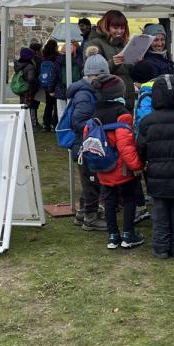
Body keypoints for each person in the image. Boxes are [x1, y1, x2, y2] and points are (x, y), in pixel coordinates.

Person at [137, 74, 174, 259]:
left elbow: (141, 147)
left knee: (160, 210)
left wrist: (144, 161)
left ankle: (161, 247)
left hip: (156, 172)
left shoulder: (147, 122)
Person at [91, 74, 146, 249]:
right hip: (121, 168)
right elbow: (126, 146)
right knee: (129, 199)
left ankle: (113, 236)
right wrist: (136, 166)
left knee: (109, 200)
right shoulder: (122, 114)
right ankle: (128, 235)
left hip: (103, 166)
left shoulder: (95, 113)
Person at [68, 49, 110, 231]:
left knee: (89, 180)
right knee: (92, 181)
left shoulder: (87, 91)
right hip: (84, 145)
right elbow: (78, 122)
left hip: (84, 144)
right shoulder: (85, 95)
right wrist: (97, 124)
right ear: (93, 76)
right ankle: (90, 217)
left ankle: (84, 211)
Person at [84, 10, 136, 111]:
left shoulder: (124, 44)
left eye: (122, 28)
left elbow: (129, 72)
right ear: (106, 27)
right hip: (108, 100)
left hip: (127, 98)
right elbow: (90, 71)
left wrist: (137, 62)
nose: (119, 31)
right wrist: (113, 63)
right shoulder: (95, 44)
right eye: (115, 27)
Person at [14, 48, 40, 130]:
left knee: (23, 105)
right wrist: (37, 82)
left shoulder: (18, 64)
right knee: (29, 106)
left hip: (21, 87)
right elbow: (31, 79)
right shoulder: (29, 66)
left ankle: (23, 122)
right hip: (28, 88)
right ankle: (29, 124)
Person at [39, 39, 61, 132]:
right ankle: (55, 123)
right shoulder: (57, 57)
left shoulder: (44, 57)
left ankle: (45, 123)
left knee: (48, 104)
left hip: (46, 83)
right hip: (56, 83)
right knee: (56, 104)